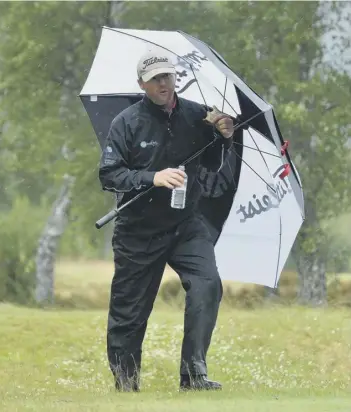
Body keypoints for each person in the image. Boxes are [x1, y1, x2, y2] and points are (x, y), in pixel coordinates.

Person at [98, 49, 234, 392]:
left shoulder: (198, 115)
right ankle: (126, 384)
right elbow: (110, 175)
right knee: (130, 312)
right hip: (138, 230)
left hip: (186, 224)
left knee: (208, 286)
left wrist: (223, 137)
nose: (163, 83)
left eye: (168, 76)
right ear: (141, 83)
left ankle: (194, 375)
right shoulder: (126, 122)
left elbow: (213, 165)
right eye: (156, 78)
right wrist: (152, 177)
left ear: (176, 78)